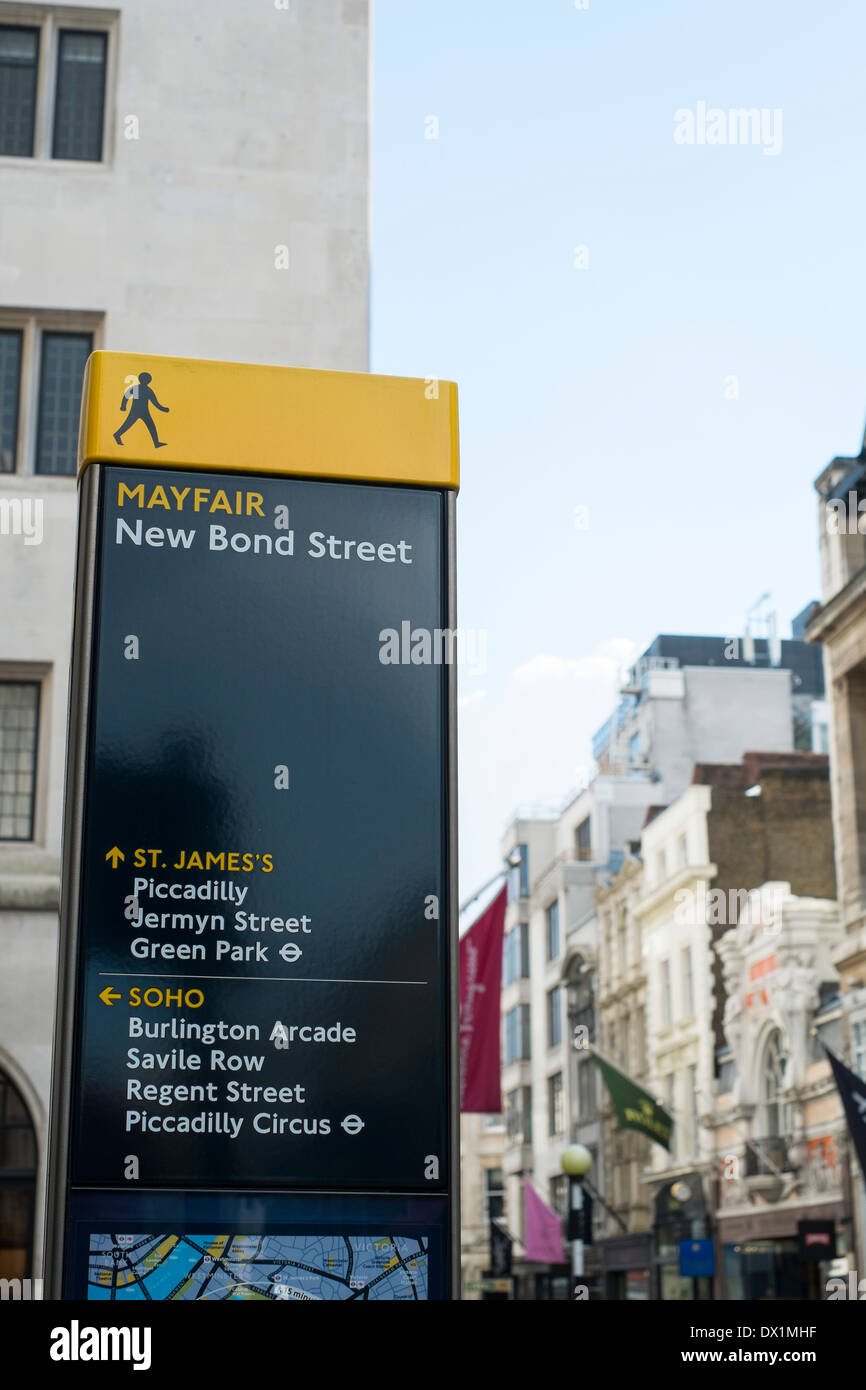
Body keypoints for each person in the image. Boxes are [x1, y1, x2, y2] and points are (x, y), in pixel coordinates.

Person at [113, 372, 170, 448]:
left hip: (143, 411)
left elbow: (155, 402)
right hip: (136, 411)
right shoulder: (140, 389)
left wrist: (163, 409)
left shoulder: (146, 390)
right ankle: (117, 435)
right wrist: (123, 406)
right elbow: (127, 396)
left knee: (151, 426)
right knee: (128, 425)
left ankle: (156, 443)